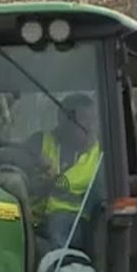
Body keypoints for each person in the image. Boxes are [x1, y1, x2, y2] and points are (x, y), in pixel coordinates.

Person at [31, 94, 102, 250]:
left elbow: (113, 191)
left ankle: (58, 263)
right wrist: (33, 161)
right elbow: (10, 157)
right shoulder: (40, 142)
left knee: (57, 225)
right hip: (34, 217)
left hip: (74, 223)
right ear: (64, 121)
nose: (90, 127)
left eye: (93, 120)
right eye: (84, 120)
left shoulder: (100, 157)